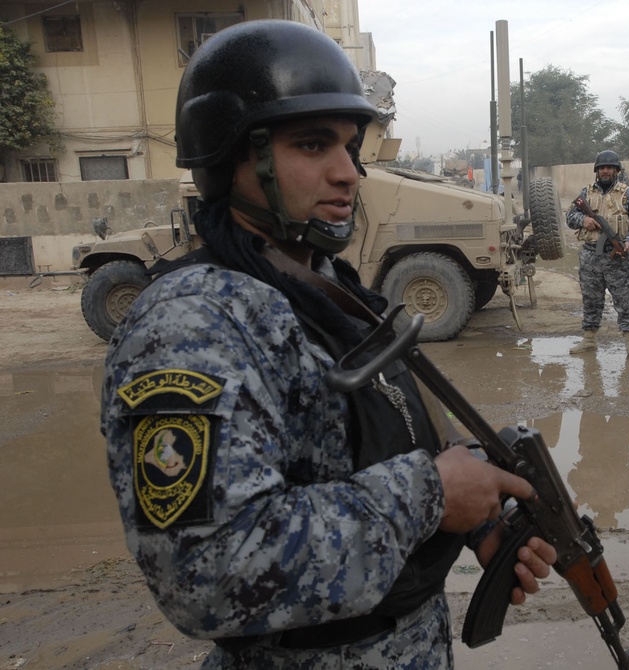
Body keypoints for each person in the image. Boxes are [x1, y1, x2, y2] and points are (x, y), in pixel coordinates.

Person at [101, 20, 555, 669]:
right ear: (231, 157)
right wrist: (429, 494)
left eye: (349, 146)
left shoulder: (321, 282)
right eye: (314, 145)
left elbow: (390, 421)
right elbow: (206, 576)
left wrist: (475, 510)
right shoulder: (192, 327)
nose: (349, 173)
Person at [565, 149, 629, 360]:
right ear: (597, 171)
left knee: (624, 301)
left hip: (618, 257)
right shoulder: (586, 192)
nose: (606, 171)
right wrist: (584, 221)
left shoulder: (628, 194)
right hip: (591, 255)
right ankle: (589, 339)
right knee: (591, 300)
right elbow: (570, 215)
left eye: (610, 168)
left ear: (616, 170)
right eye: (602, 168)